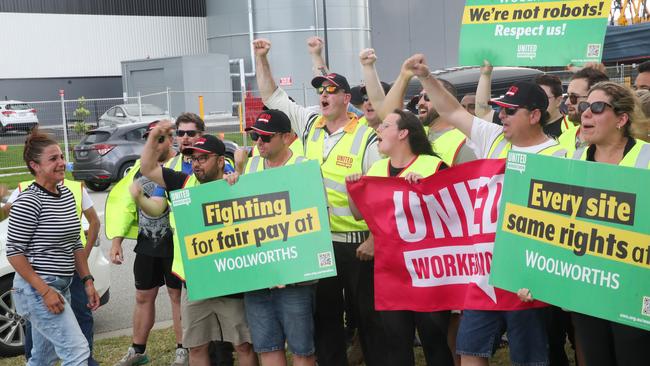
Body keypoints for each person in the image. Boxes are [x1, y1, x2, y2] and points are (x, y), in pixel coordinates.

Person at [405, 53, 566, 366]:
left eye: (510, 110)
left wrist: (542, 276)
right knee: (470, 352)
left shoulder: (556, 156)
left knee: (528, 358)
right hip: (482, 273)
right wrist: (426, 76)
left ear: (534, 116)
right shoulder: (493, 137)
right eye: (501, 108)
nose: (501, 116)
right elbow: (450, 110)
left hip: (525, 276)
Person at [254, 38, 390, 366]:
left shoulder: (365, 136)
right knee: (325, 320)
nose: (324, 96)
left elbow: (381, 191)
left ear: (347, 99)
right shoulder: (311, 124)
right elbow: (272, 96)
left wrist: (374, 237)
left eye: (331, 91)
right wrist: (261, 58)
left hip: (358, 244)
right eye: (320, 91)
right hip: (319, 243)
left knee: (369, 320)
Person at [520, 81, 650, 365]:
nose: (585, 114)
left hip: (634, 292)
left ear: (621, 119)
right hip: (588, 290)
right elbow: (548, 230)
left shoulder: (647, 159)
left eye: (597, 107)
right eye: (583, 106)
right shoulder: (570, 162)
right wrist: (532, 278)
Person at [139, 122, 257, 366]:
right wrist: (154, 137)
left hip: (231, 279)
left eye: (203, 158)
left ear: (219, 160)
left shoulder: (232, 184)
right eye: (192, 158)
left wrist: (240, 176)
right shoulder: (182, 182)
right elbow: (148, 167)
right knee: (195, 346)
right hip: (195, 283)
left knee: (243, 344)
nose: (196, 164)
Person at [348, 109, 454, 366]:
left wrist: (427, 190)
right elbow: (360, 215)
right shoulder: (376, 168)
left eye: (385, 125)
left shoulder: (433, 166)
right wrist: (353, 189)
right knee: (395, 345)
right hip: (390, 274)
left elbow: (452, 214)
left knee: (434, 341)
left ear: (403, 133)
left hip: (426, 273)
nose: (378, 130)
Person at [7, 128, 100, 364]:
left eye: (61, 157)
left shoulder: (67, 195)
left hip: (63, 284)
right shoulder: (28, 201)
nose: (61, 163)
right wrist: (45, 291)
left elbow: (74, 244)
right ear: (35, 166)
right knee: (78, 352)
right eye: (53, 159)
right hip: (37, 290)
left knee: (42, 358)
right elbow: (14, 253)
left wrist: (87, 280)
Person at [236, 109, 316, 366]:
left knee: (302, 349)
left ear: (286, 137)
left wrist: (290, 270)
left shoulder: (303, 167)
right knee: (268, 346)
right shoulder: (252, 165)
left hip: (294, 281)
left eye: (265, 137)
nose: (258, 142)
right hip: (259, 276)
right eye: (255, 136)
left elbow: (314, 223)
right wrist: (233, 182)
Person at [107, 121, 188, 366]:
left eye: (158, 139)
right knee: (143, 296)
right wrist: (117, 241)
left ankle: (183, 349)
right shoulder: (138, 170)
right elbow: (125, 205)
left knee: (177, 297)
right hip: (147, 244)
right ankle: (138, 350)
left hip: (174, 245)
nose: (152, 144)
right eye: (150, 139)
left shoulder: (180, 166)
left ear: (169, 139)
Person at [370, 52, 475, 166]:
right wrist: (404, 76)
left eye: (427, 97)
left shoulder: (464, 142)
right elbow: (390, 116)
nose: (420, 102)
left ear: (444, 102)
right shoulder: (416, 131)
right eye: (419, 97)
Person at [558, 67, 610, 155]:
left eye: (573, 97)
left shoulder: (613, 142)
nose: (567, 102)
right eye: (568, 96)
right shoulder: (564, 137)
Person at [535, 74, 570, 138]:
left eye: (544, 98)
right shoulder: (529, 127)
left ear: (558, 101)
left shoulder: (570, 128)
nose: (538, 103)